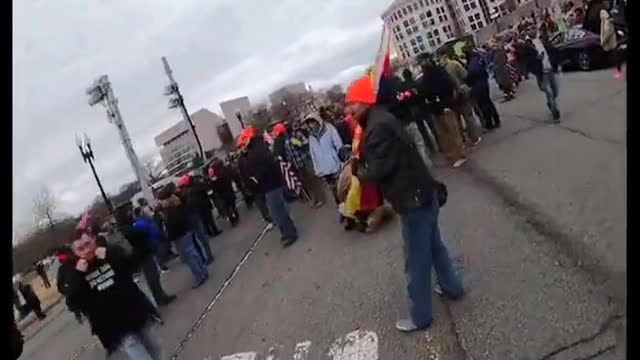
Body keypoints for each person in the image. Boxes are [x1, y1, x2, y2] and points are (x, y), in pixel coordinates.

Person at [346, 76, 464, 332]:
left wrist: (358, 168)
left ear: (366, 101)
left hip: (413, 200)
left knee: (416, 261)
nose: (349, 109)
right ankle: (453, 287)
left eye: (353, 103)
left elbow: (376, 171)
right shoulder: (380, 119)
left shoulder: (376, 129)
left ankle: (420, 317)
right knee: (435, 247)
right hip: (422, 193)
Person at [65, 232, 163, 359]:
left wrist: (109, 254)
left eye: (88, 244)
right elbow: (72, 302)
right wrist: (78, 275)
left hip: (136, 311)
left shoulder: (110, 254)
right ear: (75, 253)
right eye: (81, 249)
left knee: (154, 348)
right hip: (115, 326)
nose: (87, 250)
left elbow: (132, 265)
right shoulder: (74, 272)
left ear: (94, 240)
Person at [238, 126, 298, 247]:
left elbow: (267, 165)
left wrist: (256, 177)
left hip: (271, 186)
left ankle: (290, 233)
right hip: (269, 185)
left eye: (243, 143)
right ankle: (286, 232)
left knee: (278, 212)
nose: (243, 146)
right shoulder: (258, 148)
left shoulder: (257, 151)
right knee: (277, 211)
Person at [117, 207, 177, 307]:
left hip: (140, 256)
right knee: (153, 277)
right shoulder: (129, 229)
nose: (131, 215)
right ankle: (161, 297)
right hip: (143, 255)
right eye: (129, 213)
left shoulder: (124, 229)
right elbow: (141, 235)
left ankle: (159, 297)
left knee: (152, 278)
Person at [418, 53, 468, 168]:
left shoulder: (439, 72)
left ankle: (460, 154)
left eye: (422, 62)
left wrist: (447, 102)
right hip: (435, 108)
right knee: (443, 134)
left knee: (452, 131)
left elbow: (449, 86)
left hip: (445, 106)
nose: (421, 65)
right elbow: (424, 91)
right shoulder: (425, 77)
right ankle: (451, 155)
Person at [158, 186, 210, 288]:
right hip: (185, 232)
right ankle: (203, 271)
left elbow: (172, 226)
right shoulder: (178, 205)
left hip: (179, 236)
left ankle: (199, 276)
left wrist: (170, 236)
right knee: (193, 253)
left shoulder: (170, 211)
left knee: (189, 257)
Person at [440, 55, 483, 146]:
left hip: (450, 97)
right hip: (461, 93)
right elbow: (465, 75)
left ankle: (462, 139)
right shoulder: (454, 64)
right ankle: (474, 138)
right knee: (468, 116)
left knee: (456, 119)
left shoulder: (440, 69)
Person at [282, 122, 326, 208]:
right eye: (285, 127)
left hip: (306, 161)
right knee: (307, 183)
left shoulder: (297, 134)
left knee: (314, 181)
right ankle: (314, 199)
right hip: (298, 165)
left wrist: (297, 142)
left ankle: (321, 199)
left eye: (288, 126)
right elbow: (288, 154)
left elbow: (306, 143)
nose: (287, 129)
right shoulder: (286, 140)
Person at [304, 112, 344, 205]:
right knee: (333, 190)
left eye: (312, 122)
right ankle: (340, 208)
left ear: (317, 121)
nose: (311, 125)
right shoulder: (311, 137)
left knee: (341, 188)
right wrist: (317, 169)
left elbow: (338, 145)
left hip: (335, 165)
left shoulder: (329, 129)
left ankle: (348, 211)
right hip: (324, 169)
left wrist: (342, 162)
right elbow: (313, 154)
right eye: (309, 123)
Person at [522, 31, 562, 121]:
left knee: (555, 91)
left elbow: (552, 51)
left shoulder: (543, 39)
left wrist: (557, 64)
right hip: (541, 73)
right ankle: (555, 112)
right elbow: (527, 62)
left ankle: (550, 102)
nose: (532, 29)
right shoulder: (527, 46)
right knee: (549, 92)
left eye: (533, 27)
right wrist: (536, 60)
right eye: (529, 28)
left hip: (550, 69)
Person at [466, 47, 501, 130]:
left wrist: (468, 82)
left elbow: (471, 75)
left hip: (477, 85)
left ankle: (489, 124)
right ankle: (496, 119)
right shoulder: (478, 58)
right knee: (488, 101)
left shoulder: (471, 63)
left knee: (483, 105)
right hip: (484, 83)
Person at [56, 246, 84, 324]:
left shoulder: (63, 269)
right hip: (75, 292)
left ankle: (79, 316)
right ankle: (80, 315)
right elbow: (60, 286)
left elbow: (60, 286)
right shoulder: (74, 262)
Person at [600, 9, 622, 79]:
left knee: (614, 57)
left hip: (610, 42)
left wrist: (603, 41)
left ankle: (619, 71)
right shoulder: (605, 21)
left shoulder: (607, 22)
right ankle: (618, 70)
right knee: (613, 56)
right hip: (610, 42)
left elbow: (607, 33)